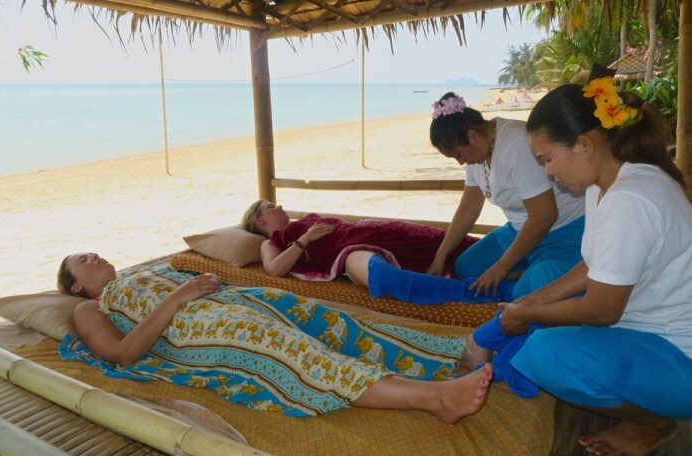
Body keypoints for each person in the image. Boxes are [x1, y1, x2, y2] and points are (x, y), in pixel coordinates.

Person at [472, 80, 692, 456]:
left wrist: (526, 314)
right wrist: (533, 301)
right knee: (541, 280)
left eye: (548, 160)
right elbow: (594, 264)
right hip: (646, 326)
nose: (548, 172)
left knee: (545, 354)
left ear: (585, 146)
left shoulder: (630, 199)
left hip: (678, 358)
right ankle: (523, 329)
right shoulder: (604, 183)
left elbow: (602, 310)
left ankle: (652, 424)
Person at [57, 252, 493, 421]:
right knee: (296, 351)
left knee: (326, 319)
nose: (94, 255)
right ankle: (434, 399)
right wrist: (179, 296)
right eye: (83, 260)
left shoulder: (140, 273)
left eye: (92, 252)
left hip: (227, 302)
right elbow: (123, 354)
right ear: (76, 285)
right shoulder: (89, 308)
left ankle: (458, 352)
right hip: (195, 330)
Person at [427, 92, 586, 299]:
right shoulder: (477, 153)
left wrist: (502, 267)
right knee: (466, 269)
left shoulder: (516, 143)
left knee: (529, 289)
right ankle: (525, 270)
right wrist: (440, 257)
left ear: (473, 136)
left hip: (561, 229)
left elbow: (544, 217)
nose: (460, 162)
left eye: (458, 154)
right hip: (519, 228)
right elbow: (468, 208)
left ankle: (524, 274)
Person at [242, 200, 515, 304]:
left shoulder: (304, 219)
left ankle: (520, 258)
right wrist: (305, 239)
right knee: (382, 277)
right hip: (347, 254)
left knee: (445, 243)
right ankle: (488, 291)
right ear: (261, 221)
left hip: (369, 232)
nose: (279, 206)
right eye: (271, 207)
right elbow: (273, 269)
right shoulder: (271, 243)